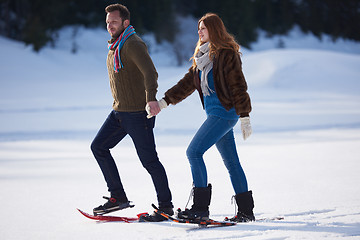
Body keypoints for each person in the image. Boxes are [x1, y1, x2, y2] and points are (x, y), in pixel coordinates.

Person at [147, 13, 255, 222]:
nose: (199, 31)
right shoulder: (202, 58)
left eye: (203, 28)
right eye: (199, 28)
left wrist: (244, 115)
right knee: (232, 162)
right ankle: (246, 212)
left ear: (214, 29)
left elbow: (238, 85)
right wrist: (163, 102)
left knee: (194, 152)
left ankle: (200, 207)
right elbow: (187, 84)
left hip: (224, 114)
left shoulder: (227, 54)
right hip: (215, 114)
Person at [90, 3, 173, 221]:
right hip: (119, 113)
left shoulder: (132, 44)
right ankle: (117, 197)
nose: (110, 26)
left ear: (125, 22)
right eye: (108, 22)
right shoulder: (115, 45)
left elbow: (150, 73)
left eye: (114, 22)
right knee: (99, 147)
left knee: (149, 161)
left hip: (137, 114)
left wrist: (151, 99)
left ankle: (166, 207)